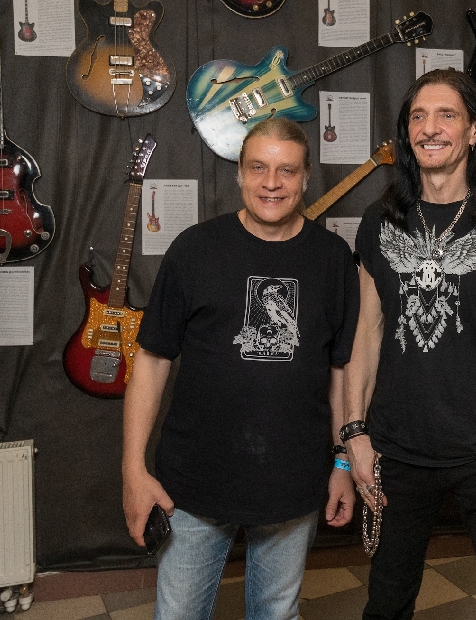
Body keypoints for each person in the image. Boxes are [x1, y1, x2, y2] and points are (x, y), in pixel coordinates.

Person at [122, 118, 360, 620]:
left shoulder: (333, 259)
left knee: (276, 613)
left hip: (292, 482)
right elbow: (152, 360)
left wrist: (342, 463)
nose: (271, 183)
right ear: (239, 173)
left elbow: (340, 370)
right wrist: (133, 469)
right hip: (193, 483)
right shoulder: (194, 249)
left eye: (286, 170)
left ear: (306, 177)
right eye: (258, 168)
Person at [342, 69, 476, 620]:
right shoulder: (381, 220)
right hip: (396, 450)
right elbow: (365, 334)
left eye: (446, 115)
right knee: (386, 602)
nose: (429, 128)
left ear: (475, 128)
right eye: (418, 116)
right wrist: (354, 436)